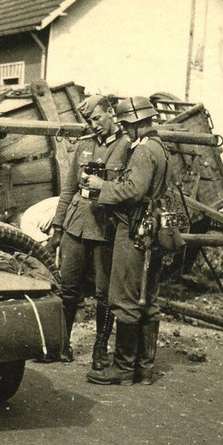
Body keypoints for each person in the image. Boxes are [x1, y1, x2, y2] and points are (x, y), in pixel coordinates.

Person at [84, 95, 170, 386]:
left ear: (135, 123)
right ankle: (144, 369)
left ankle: (122, 368)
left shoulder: (143, 151)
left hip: (134, 229)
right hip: (152, 229)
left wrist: (102, 186)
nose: (124, 129)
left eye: (125, 125)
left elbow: (134, 190)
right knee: (148, 298)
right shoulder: (160, 148)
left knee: (125, 298)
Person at [39, 95, 130, 365]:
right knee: (67, 287)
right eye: (90, 121)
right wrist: (58, 227)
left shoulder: (127, 147)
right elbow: (68, 190)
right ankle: (61, 345)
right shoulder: (84, 145)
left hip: (105, 228)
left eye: (98, 118)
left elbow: (129, 189)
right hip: (76, 226)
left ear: (111, 112)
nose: (94, 125)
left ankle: (100, 350)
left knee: (104, 293)